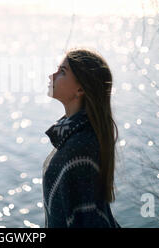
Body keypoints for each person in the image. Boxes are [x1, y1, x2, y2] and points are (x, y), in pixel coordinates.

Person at [43, 48, 120, 228]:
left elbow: (88, 219)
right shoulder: (71, 134)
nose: (51, 76)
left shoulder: (80, 148)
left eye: (62, 72)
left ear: (80, 89)